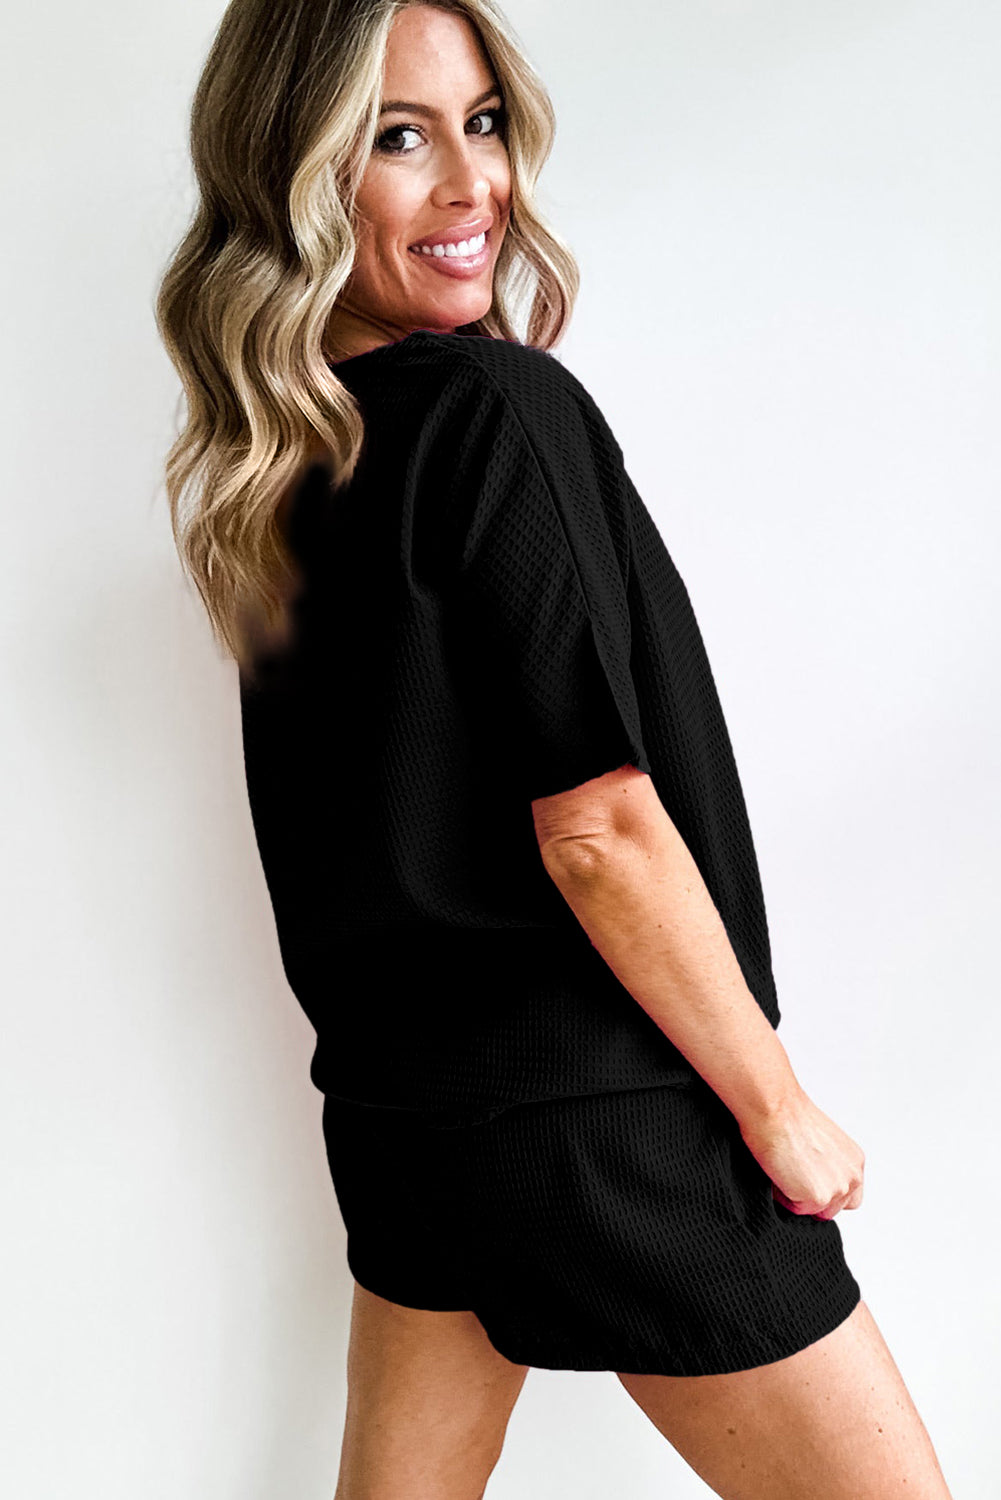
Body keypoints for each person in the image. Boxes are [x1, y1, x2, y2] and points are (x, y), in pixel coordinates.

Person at [155, 1, 954, 1496]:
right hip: (602, 1120)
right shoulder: (494, 411)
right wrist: (775, 1107)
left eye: (483, 123)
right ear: (296, 169)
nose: (474, 183)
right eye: (399, 137)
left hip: (408, 1126)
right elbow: (594, 827)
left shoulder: (284, 467)